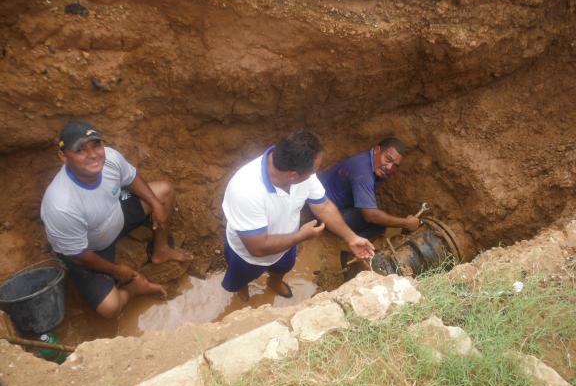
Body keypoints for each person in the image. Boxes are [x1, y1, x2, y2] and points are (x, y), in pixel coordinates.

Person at [41, 120, 193, 318]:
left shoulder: (110, 158)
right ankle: (134, 290)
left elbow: (131, 178)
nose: (93, 154)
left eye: (96, 144)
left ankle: (161, 250)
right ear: (63, 156)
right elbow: (79, 256)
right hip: (91, 247)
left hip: (116, 215)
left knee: (163, 192)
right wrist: (117, 270)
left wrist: (156, 205)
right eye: (80, 150)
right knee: (110, 308)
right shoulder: (61, 205)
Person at [221, 130, 375, 301]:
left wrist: (351, 237)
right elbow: (257, 248)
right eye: (313, 171)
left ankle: (274, 282)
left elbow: (323, 205)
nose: (314, 174)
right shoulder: (245, 190)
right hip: (246, 256)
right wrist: (301, 236)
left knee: (282, 268)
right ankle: (242, 291)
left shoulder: (299, 172)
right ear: (293, 175)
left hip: (287, 243)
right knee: (240, 279)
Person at [319, 137, 420, 242]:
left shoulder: (370, 164)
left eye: (395, 165)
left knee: (378, 216)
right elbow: (370, 216)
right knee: (378, 223)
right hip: (322, 213)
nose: (389, 167)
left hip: (327, 205)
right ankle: (351, 245)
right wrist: (406, 223)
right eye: (388, 159)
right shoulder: (363, 172)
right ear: (376, 150)